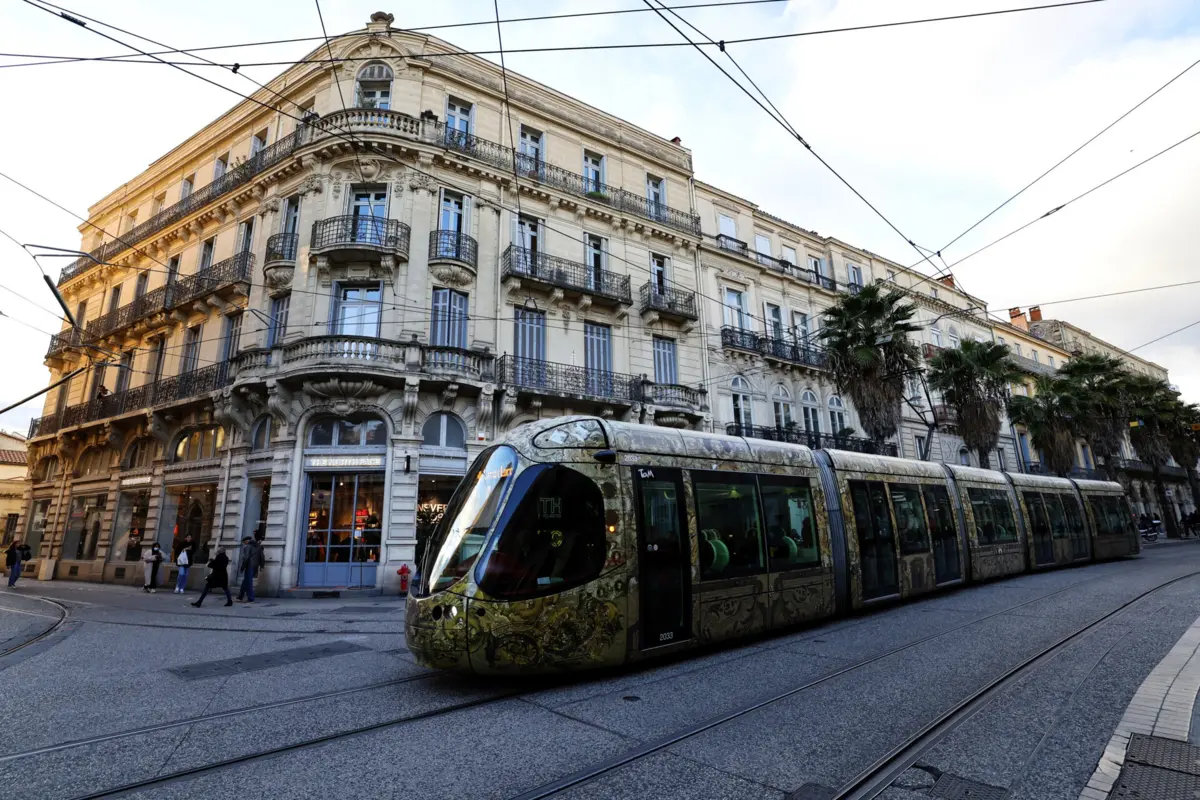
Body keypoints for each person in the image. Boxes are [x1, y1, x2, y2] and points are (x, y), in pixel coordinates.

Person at [236, 536, 263, 603]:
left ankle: (251, 598)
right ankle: (240, 596)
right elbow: (262, 556)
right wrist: (262, 565)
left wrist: (242, 567)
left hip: (249, 566)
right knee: (245, 581)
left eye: (244, 542)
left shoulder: (248, 547)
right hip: (255, 566)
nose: (244, 544)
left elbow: (246, 558)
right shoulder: (258, 546)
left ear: (246, 541)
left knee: (248, 582)